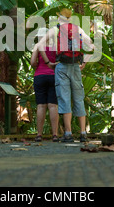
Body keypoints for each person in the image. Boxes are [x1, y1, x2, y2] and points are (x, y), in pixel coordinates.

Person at [37, 8, 94, 142]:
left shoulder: (55, 30)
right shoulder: (78, 29)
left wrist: (48, 63)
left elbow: (40, 45)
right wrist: (84, 62)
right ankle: (83, 133)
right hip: (75, 67)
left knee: (64, 98)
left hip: (61, 66)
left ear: (59, 18)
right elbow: (91, 45)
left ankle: (68, 133)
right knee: (79, 99)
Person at [30, 28, 59, 142]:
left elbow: (33, 62)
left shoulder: (38, 45)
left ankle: (39, 134)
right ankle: (55, 135)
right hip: (53, 76)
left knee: (41, 106)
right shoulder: (55, 46)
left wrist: (38, 64)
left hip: (39, 76)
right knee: (53, 106)